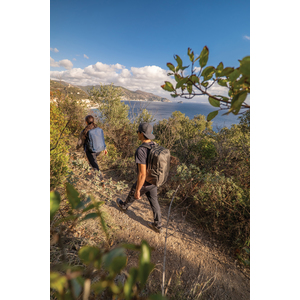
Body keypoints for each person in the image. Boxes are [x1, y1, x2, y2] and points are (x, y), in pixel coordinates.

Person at [117, 122, 162, 233]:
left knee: (134, 191)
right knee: (154, 202)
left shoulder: (141, 150)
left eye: (138, 131)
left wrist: (138, 190)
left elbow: (142, 174)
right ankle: (158, 225)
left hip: (146, 181)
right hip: (154, 180)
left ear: (141, 133)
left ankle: (124, 206)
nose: (137, 133)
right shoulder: (155, 145)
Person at [76, 115, 107, 181]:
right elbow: (101, 138)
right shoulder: (98, 129)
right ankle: (89, 172)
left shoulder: (85, 131)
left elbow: (80, 142)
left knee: (95, 165)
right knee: (92, 162)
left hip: (90, 151)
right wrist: (105, 148)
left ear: (86, 122)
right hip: (99, 149)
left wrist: (77, 147)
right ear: (93, 121)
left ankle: (101, 180)